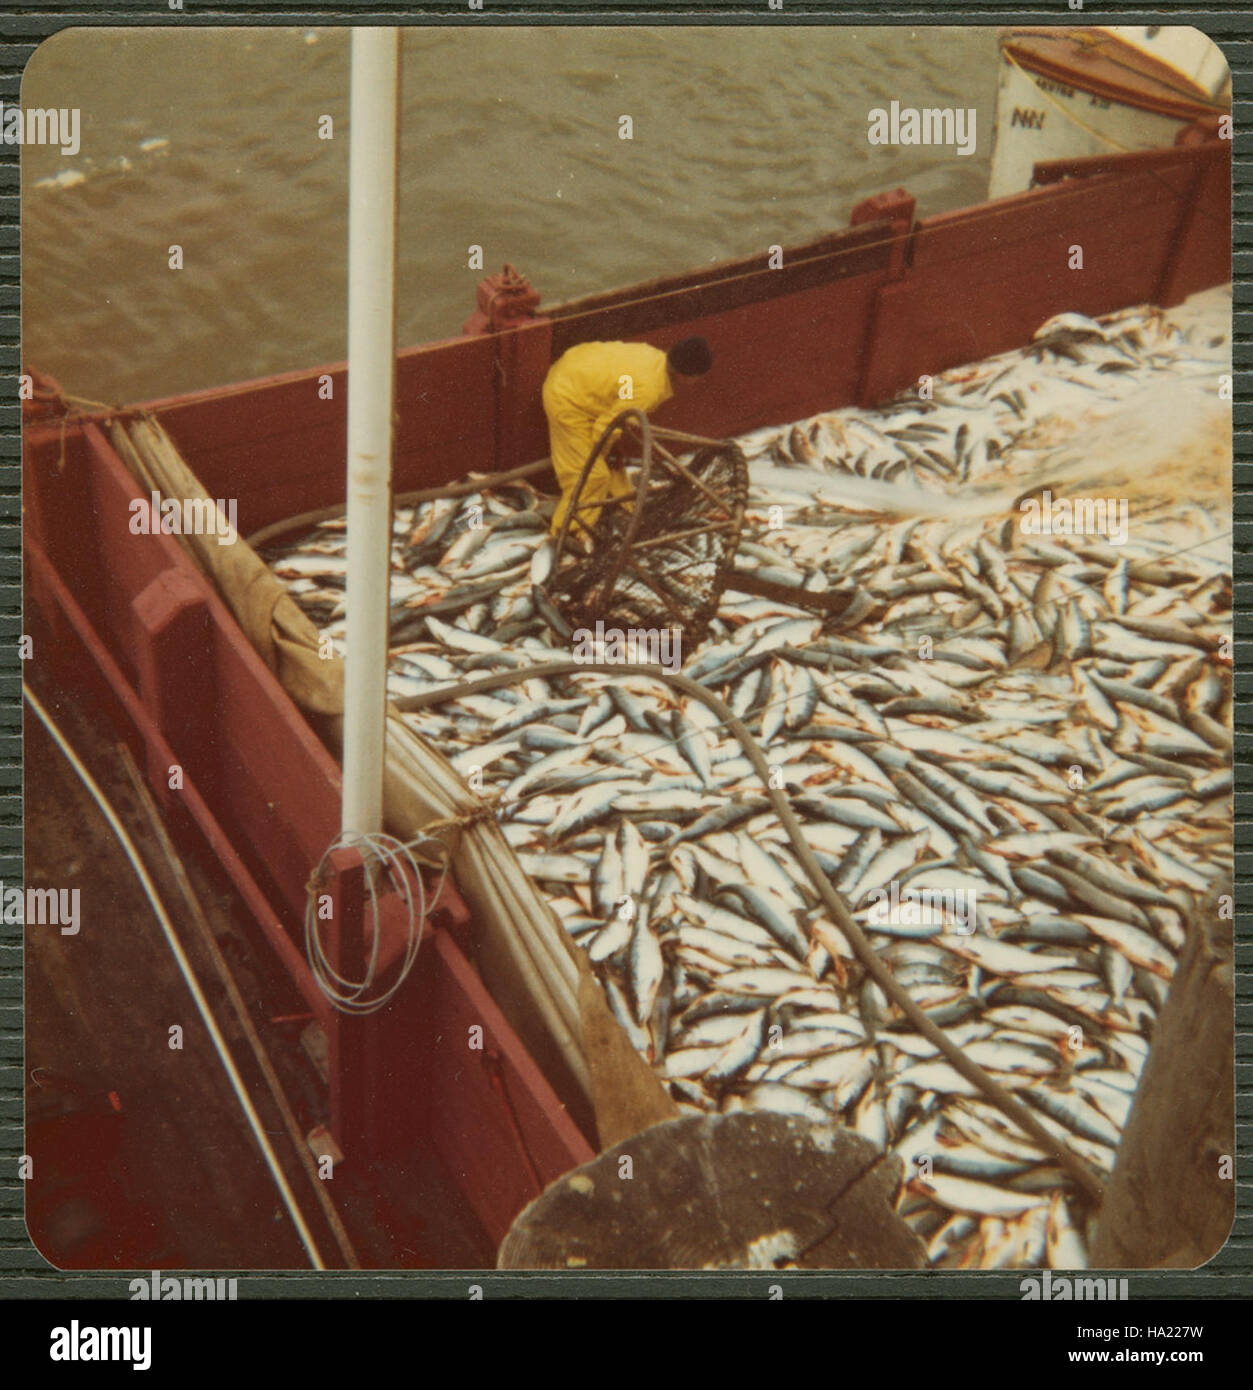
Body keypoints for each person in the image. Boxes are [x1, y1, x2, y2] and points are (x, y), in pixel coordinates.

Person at [542, 336, 713, 539]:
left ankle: (614, 508)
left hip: (578, 372)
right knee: (593, 477)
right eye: (698, 377)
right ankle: (567, 533)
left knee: (613, 466)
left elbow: (622, 394)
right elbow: (607, 425)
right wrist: (600, 455)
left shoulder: (653, 357)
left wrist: (610, 452)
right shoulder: (649, 389)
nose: (697, 382)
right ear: (686, 375)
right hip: (568, 397)